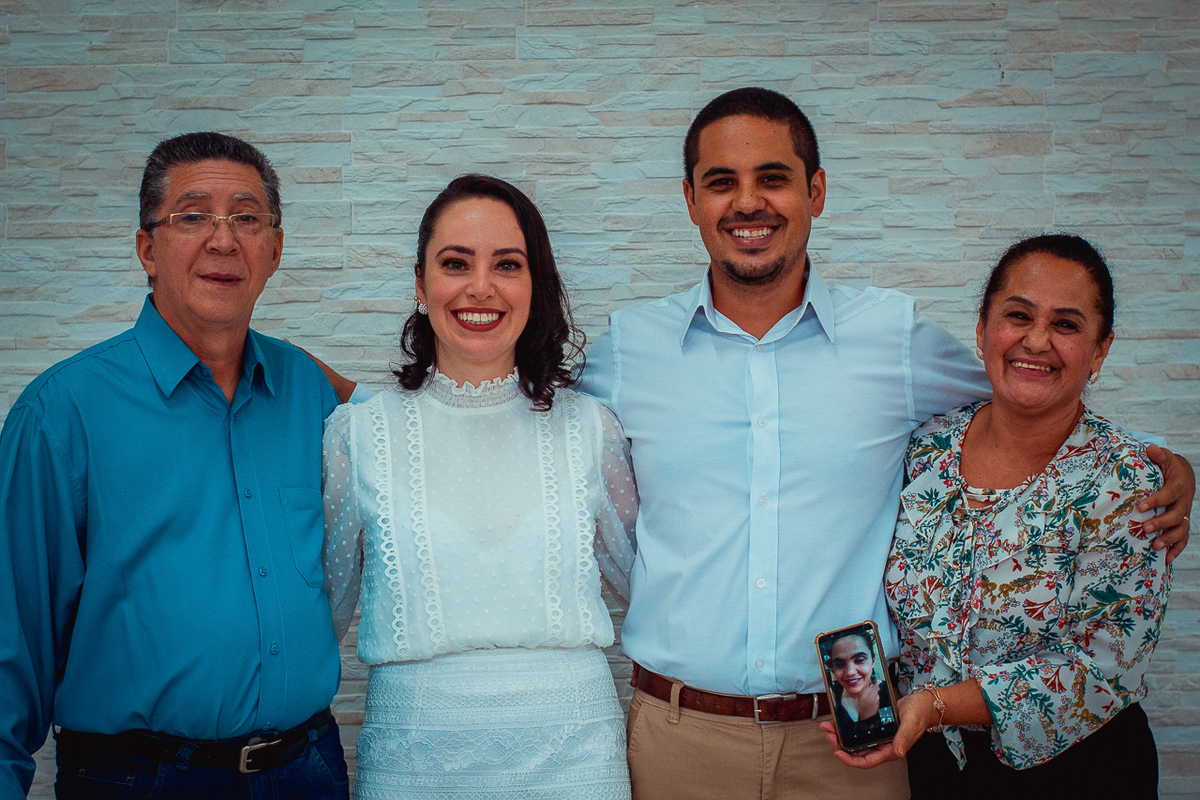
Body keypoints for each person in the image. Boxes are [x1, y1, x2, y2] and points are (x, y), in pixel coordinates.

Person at [574, 87, 1193, 800]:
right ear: (690, 199)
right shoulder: (632, 349)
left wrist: (1161, 463)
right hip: (682, 736)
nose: (748, 202)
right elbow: (541, 432)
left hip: (854, 738)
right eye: (721, 182)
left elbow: (1027, 393)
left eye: (773, 178)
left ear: (816, 191)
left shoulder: (892, 338)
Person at [0, 132, 350, 799]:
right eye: (192, 216)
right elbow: (9, 640)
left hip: (308, 770)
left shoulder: (307, 389)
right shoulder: (61, 412)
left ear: (275, 249)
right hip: (141, 779)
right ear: (146, 249)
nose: (223, 240)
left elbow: (416, 439)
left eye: (246, 218)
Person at [320, 174, 638, 799]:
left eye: (508, 264)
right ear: (420, 284)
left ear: (535, 284)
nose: (481, 287)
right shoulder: (358, 434)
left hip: (576, 759)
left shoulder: (590, 428)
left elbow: (651, 587)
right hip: (413, 759)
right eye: (456, 263)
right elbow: (322, 613)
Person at [827, 235, 1172, 798]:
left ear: (1100, 350)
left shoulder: (1126, 481)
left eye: (1066, 324)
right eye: (1018, 315)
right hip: (933, 767)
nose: (1036, 340)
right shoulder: (926, 448)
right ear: (983, 327)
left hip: (1078, 772)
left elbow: (1106, 666)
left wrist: (935, 705)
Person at [828, 633, 892, 743]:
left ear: (873, 661)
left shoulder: (885, 693)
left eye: (860, 660)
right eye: (840, 664)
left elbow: (888, 731)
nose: (850, 672)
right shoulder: (834, 694)